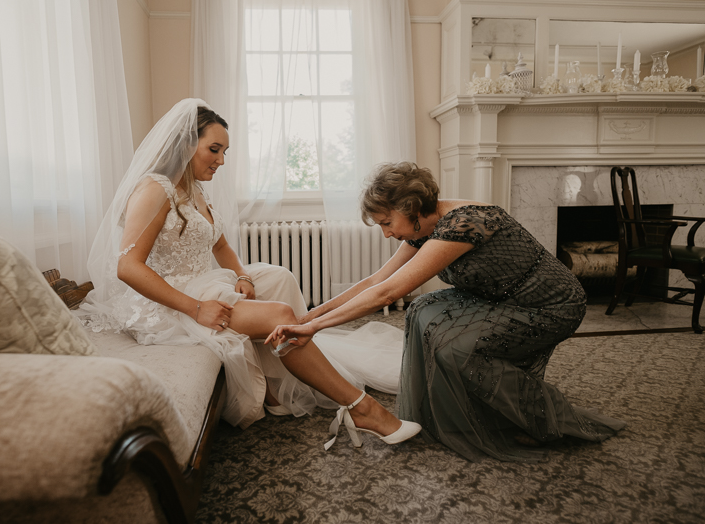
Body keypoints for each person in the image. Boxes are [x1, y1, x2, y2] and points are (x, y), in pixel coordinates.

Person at [76, 98, 420, 449]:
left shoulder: (194, 189)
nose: (221, 160)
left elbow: (220, 246)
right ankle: (362, 409)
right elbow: (128, 267)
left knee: (279, 276)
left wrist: (242, 275)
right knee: (281, 315)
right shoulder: (154, 189)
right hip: (168, 304)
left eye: (224, 151)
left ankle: (278, 382)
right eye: (214, 149)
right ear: (184, 144)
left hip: (203, 282)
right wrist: (196, 308)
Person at [267, 161, 626, 462]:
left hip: (551, 303)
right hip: (502, 297)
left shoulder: (463, 224)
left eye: (386, 222)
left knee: (458, 350)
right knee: (423, 311)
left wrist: (313, 330)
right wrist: (311, 316)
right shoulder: (423, 227)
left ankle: (544, 420)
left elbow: (389, 292)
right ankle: (468, 410)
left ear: (409, 209)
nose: (386, 233)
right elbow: (377, 279)